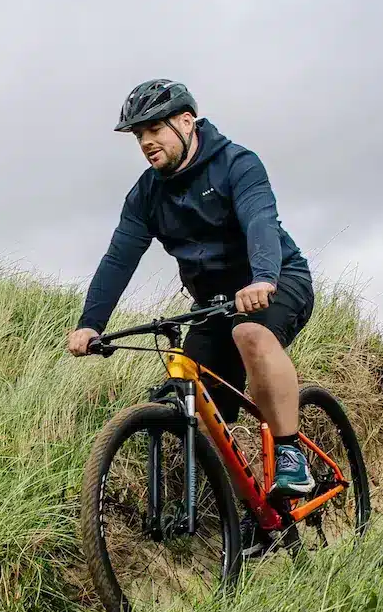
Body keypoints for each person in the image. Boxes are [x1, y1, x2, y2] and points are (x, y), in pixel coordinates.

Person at [67, 79, 317, 495]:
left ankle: (290, 454)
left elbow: (260, 220)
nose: (146, 141)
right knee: (195, 402)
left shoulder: (238, 164)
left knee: (250, 333)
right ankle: (240, 515)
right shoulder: (145, 195)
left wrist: (263, 279)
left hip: (276, 281)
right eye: (139, 135)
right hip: (213, 305)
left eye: (155, 129)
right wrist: (90, 323)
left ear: (187, 122)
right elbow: (119, 259)